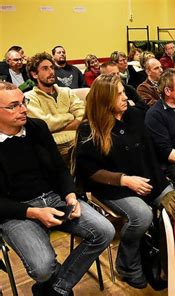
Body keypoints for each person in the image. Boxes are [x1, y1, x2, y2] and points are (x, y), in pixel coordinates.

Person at [0, 81, 114, 296]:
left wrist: (70, 195)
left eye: (24, 103)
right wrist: (32, 212)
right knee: (42, 269)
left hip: (54, 198)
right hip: (17, 210)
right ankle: (52, 284)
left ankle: (57, 289)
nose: (23, 109)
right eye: (14, 106)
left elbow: (59, 169)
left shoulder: (37, 128)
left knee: (104, 231)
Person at [74, 74, 171, 289]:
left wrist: (161, 181)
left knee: (174, 205)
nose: (125, 97)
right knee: (142, 215)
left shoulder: (134, 115)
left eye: (125, 92)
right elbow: (91, 171)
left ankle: (168, 261)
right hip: (113, 186)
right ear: (105, 99)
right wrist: (125, 180)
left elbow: (149, 154)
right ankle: (128, 264)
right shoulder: (89, 129)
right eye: (119, 94)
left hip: (146, 177)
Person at [25, 52, 85, 163]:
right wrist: (70, 116)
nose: (51, 72)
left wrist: (58, 127)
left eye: (52, 68)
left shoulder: (66, 91)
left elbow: (83, 114)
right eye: (45, 69)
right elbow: (45, 124)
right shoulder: (29, 98)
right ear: (34, 74)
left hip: (79, 140)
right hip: (54, 146)